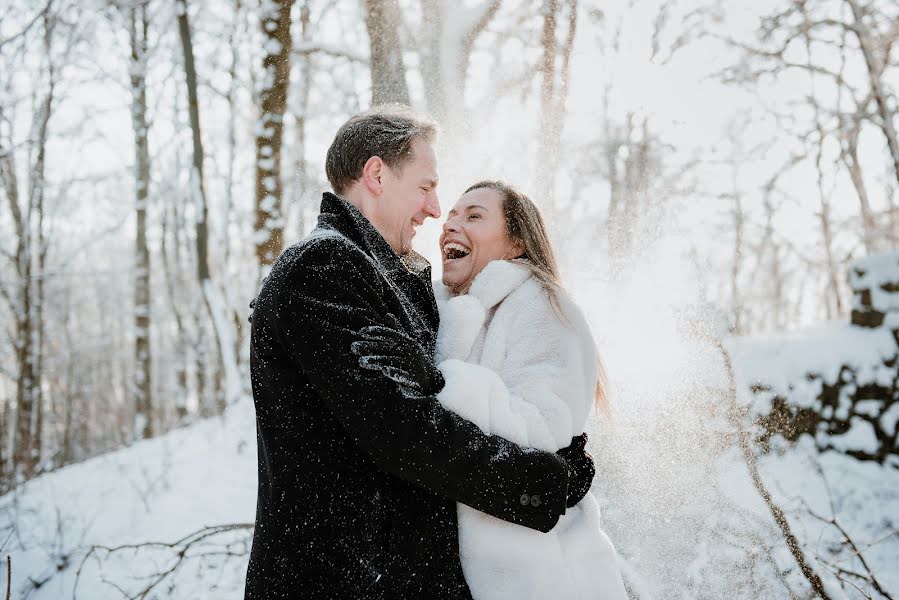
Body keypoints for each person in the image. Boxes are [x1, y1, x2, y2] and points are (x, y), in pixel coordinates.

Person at [244, 105, 596, 599]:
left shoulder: (399, 280)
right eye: (426, 187)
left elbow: (449, 407)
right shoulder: (323, 267)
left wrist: (549, 455)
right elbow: (403, 429)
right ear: (376, 175)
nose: (434, 209)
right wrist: (539, 482)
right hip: (343, 580)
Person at [373, 180, 629, 599]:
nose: (451, 225)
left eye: (474, 216)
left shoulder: (544, 306)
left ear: (516, 244)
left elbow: (544, 433)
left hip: (544, 570)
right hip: (477, 572)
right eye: (452, 215)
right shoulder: (451, 312)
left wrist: (438, 382)